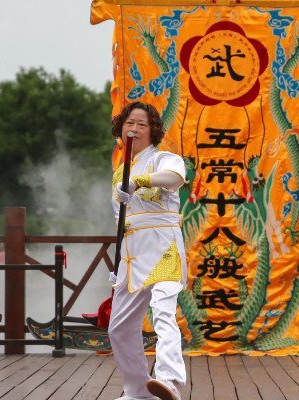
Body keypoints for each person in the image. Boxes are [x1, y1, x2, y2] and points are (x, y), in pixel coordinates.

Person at [109, 102, 187, 400]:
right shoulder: (120, 172)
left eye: (142, 124)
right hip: (131, 255)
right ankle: (137, 390)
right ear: (121, 128)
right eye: (130, 123)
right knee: (119, 327)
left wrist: (139, 181)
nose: (134, 129)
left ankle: (169, 379)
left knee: (163, 311)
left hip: (162, 245)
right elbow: (122, 221)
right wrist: (117, 263)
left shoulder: (163, 159)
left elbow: (175, 178)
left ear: (153, 130)